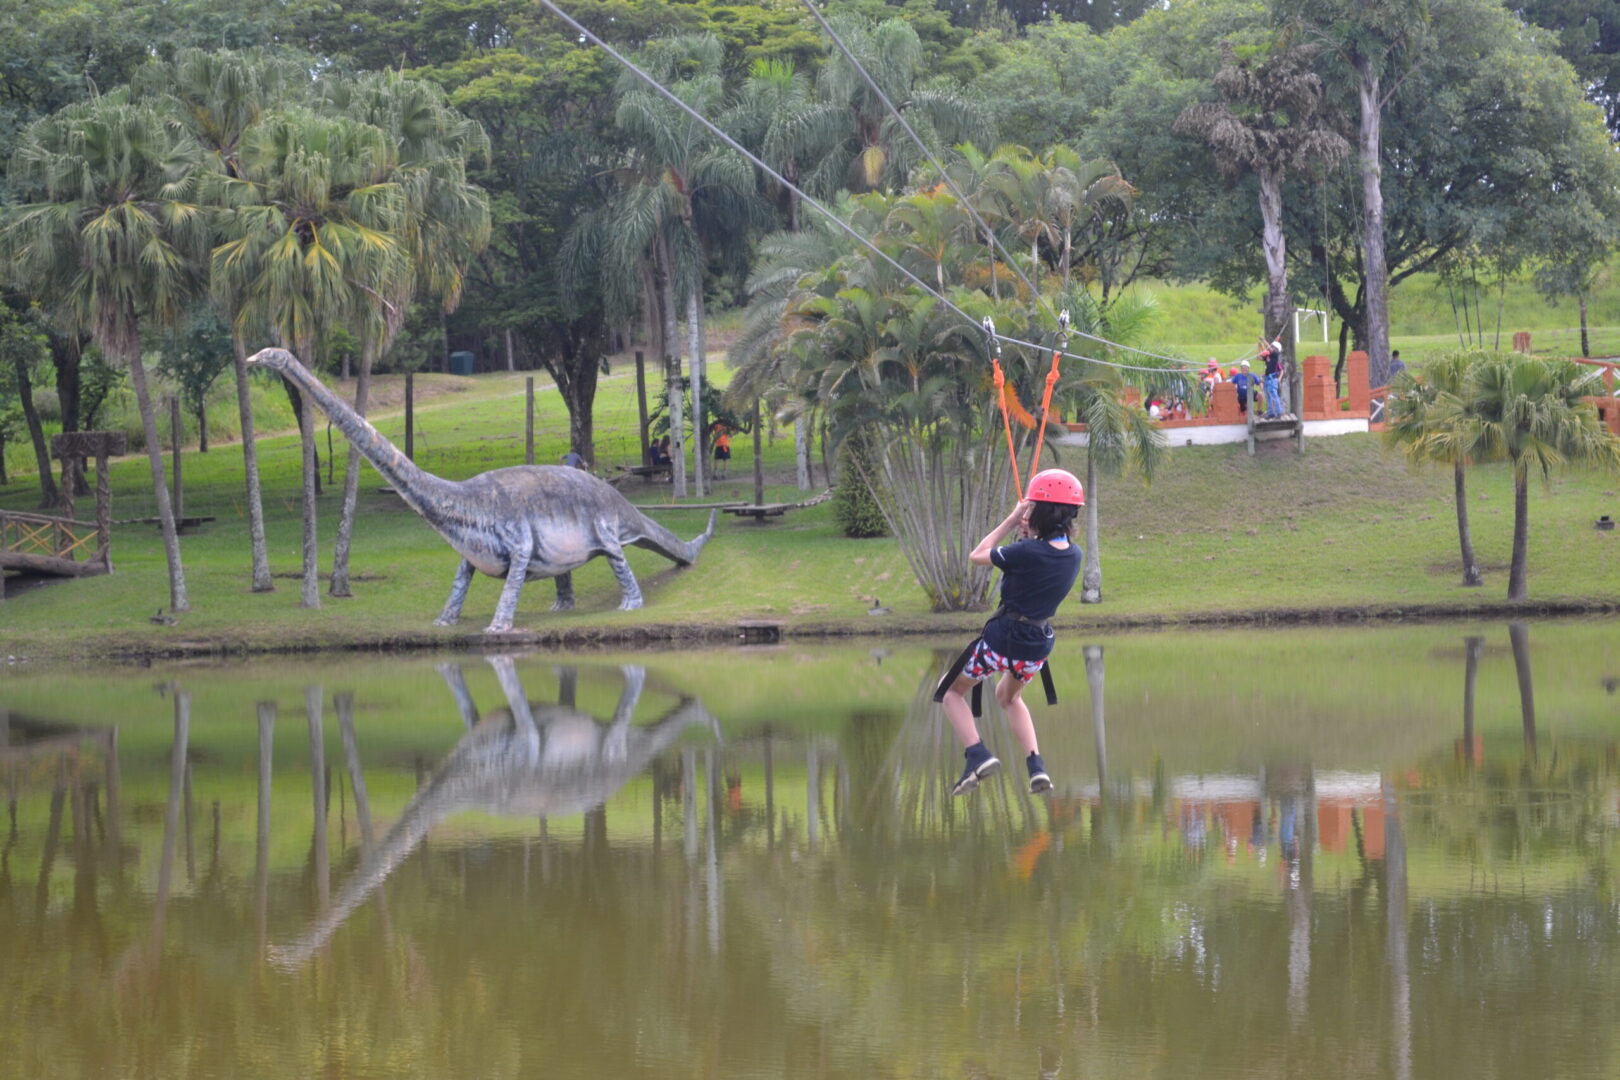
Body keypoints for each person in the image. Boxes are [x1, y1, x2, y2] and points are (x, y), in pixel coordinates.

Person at [934, 469, 1084, 797]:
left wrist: (1011, 519)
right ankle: (1036, 766)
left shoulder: (1025, 552)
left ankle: (977, 754)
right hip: (1037, 647)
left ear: (1038, 513)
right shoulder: (1074, 555)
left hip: (1003, 639)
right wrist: (1033, 533)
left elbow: (977, 556)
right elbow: (1046, 554)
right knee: (1008, 697)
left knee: (949, 691)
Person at [1260, 336, 1284, 419]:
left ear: (1276, 349)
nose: (1271, 348)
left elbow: (1270, 348)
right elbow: (1259, 357)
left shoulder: (1275, 355)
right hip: (1267, 378)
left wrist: (1264, 340)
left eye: (1273, 347)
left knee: (1274, 395)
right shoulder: (1269, 357)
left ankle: (1279, 412)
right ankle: (1270, 412)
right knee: (1268, 396)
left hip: (1272, 379)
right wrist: (1260, 346)